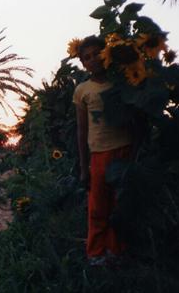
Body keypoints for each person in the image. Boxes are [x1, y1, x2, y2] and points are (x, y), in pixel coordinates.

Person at [72, 35, 133, 266]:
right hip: (99, 154)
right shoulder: (82, 90)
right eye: (86, 57)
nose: (93, 59)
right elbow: (81, 130)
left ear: (105, 53)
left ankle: (117, 249)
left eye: (96, 53)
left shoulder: (120, 82)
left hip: (124, 149)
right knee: (98, 206)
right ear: (83, 63)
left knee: (120, 204)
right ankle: (96, 253)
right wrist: (83, 167)